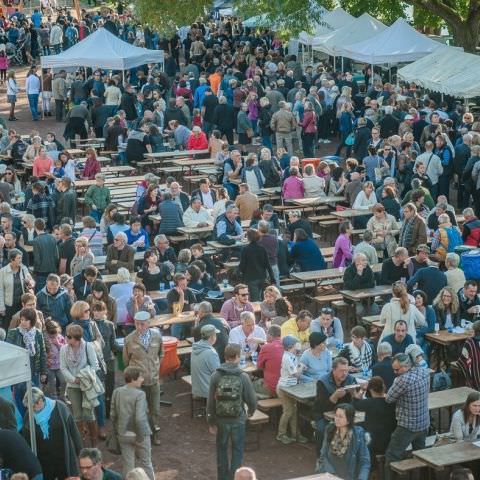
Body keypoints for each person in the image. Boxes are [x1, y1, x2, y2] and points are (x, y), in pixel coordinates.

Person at [207, 343, 257, 480]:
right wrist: (251, 412)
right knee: (237, 450)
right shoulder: (243, 376)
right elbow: (251, 400)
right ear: (236, 357)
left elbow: (210, 402)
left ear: (224, 356)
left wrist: (211, 421)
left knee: (221, 450)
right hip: (238, 419)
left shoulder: (216, 375)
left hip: (221, 419)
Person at [384, 353, 430, 480]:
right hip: (424, 422)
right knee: (422, 455)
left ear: (406, 366)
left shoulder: (402, 380)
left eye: (397, 369)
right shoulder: (424, 371)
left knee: (392, 455)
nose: (394, 372)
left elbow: (388, 399)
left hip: (407, 426)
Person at [21, 387, 82, 480]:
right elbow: (26, 439)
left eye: (33, 406)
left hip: (63, 456)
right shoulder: (28, 416)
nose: (31, 410)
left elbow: (73, 430)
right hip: (44, 461)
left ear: (40, 400)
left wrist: (80, 452)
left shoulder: (60, 407)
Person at [123, 311, 163, 445]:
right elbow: (126, 361)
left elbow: (161, 355)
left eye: (142, 324)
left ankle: (155, 433)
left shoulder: (157, 337)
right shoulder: (129, 339)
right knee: (139, 410)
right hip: (137, 383)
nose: (139, 327)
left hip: (153, 380)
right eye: (136, 324)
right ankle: (141, 435)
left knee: (155, 409)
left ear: (149, 323)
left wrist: (156, 369)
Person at [60, 323, 101, 447]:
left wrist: (82, 376)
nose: (66, 338)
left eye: (69, 337)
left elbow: (95, 366)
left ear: (77, 338)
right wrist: (73, 379)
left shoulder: (88, 347)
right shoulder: (63, 349)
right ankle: (81, 442)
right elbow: (63, 367)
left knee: (89, 414)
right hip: (72, 386)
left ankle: (94, 441)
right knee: (77, 415)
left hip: (87, 385)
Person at [110, 367, 155, 479]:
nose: (142, 379)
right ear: (133, 379)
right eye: (140, 377)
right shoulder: (140, 394)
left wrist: (118, 431)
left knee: (128, 465)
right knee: (146, 464)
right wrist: (139, 437)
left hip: (123, 434)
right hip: (140, 434)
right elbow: (140, 418)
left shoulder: (117, 392)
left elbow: (112, 415)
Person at [317, 403, 370, 479]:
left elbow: (365, 461)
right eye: (336, 415)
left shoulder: (358, 434)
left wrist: (361, 478)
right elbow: (323, 455)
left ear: (349, 420)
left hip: (349, 476)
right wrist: (332, 475)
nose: (337, 419)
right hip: (330, 475)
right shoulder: (329, 429)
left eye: (341, 417)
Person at [275, 335, 308, 444]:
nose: (298, 345)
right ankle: (281, 434)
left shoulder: (293, 355)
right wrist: (301, 367)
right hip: (284, 388)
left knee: (294, 411)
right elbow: (296, 374)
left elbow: (298, 366)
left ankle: (295, 435)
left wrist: (300, 364)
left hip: (291, 388)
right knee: (288, 411)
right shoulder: (287, 358)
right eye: (295, 344)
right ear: (290, 346)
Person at [353, 376, 397, 455]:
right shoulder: (392, 401)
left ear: (370, 389)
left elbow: (355, 403)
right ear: (384, 387)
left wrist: (362, 390)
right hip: (391, 439)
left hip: (372, 442)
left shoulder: (366, 403)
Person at [0, 248, 34, 329]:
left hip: (22, 304)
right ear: (12, 259)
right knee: (7, 327)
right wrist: (1, 307)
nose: (21, 260)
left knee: (21, 327)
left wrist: (29, 283)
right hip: (9, 306)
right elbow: (0, 290)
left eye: (21, 258)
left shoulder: (24, 268)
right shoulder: (3, 272)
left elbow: (32, 282)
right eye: (18, 258)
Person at [238, 228, 275, 301]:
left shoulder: (245, 249)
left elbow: (242, 265)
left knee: (255, 301)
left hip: (251, 278)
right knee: (264, 298)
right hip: (262, 277)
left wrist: (240, 274)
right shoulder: (262, 248)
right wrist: (272, 279)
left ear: (248, 238)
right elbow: (267, 264)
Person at [191, 324, 221, 400]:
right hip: (207, 391)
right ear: (212, 337)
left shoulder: (195, 348)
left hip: (196, 388)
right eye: (215, 335)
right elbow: (218, 375)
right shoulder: (211, 353)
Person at [457, 320, 480, 390]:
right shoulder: (470, 342)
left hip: (476, 378)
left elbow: (462, 360)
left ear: (474, 331)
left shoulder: (469, 342)